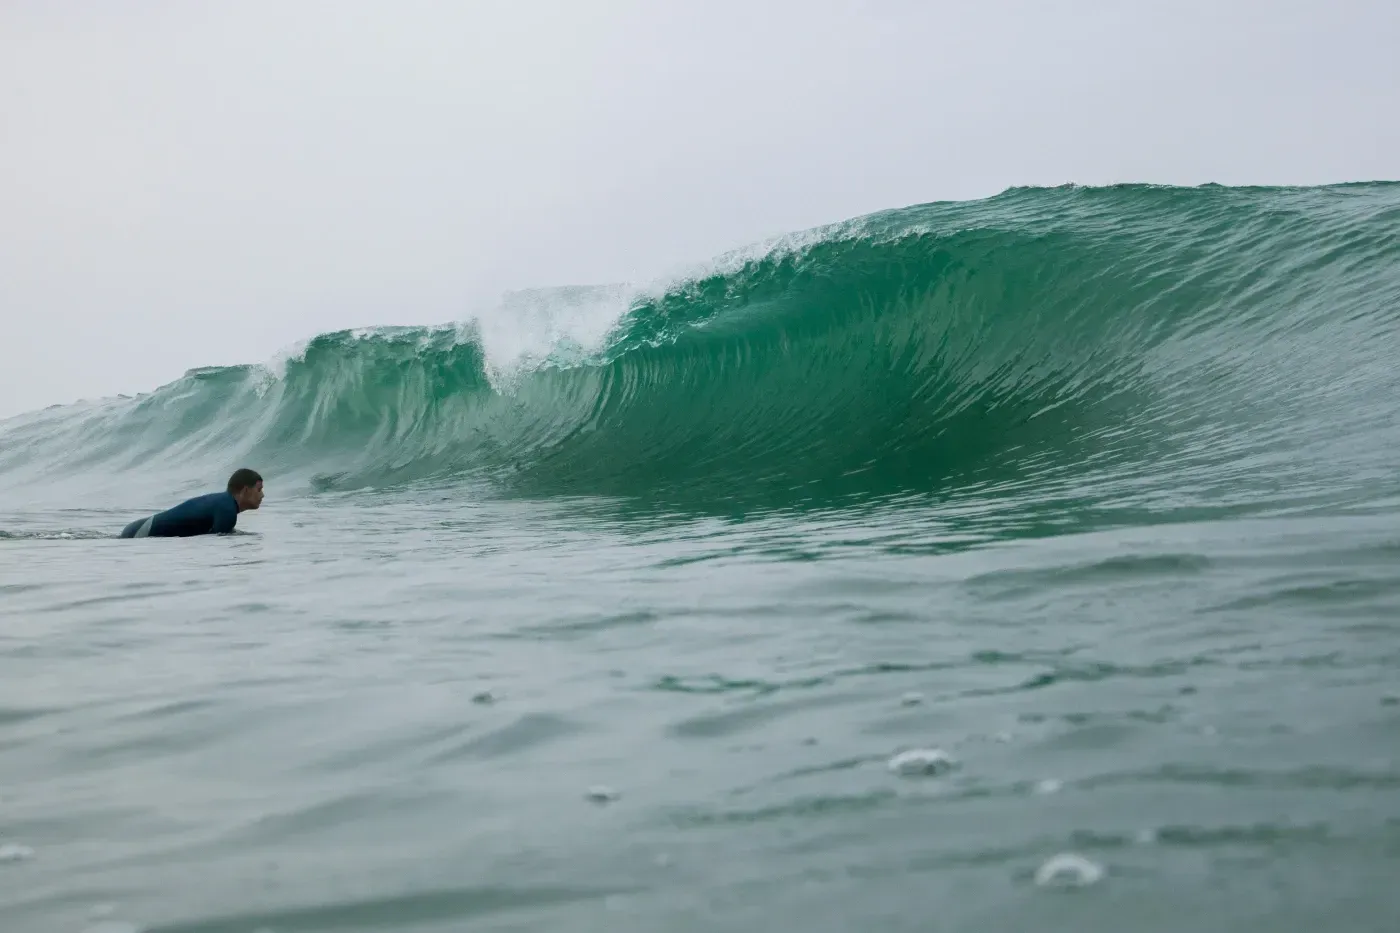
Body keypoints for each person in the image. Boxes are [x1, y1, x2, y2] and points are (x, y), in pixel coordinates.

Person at [119, 468, 264, 539]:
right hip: (141, 533)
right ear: (245, 490)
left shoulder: (223, 503)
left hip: (137, 529)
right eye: (259, 489)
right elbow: (217, 542)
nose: (262, 495)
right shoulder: (227, 509)